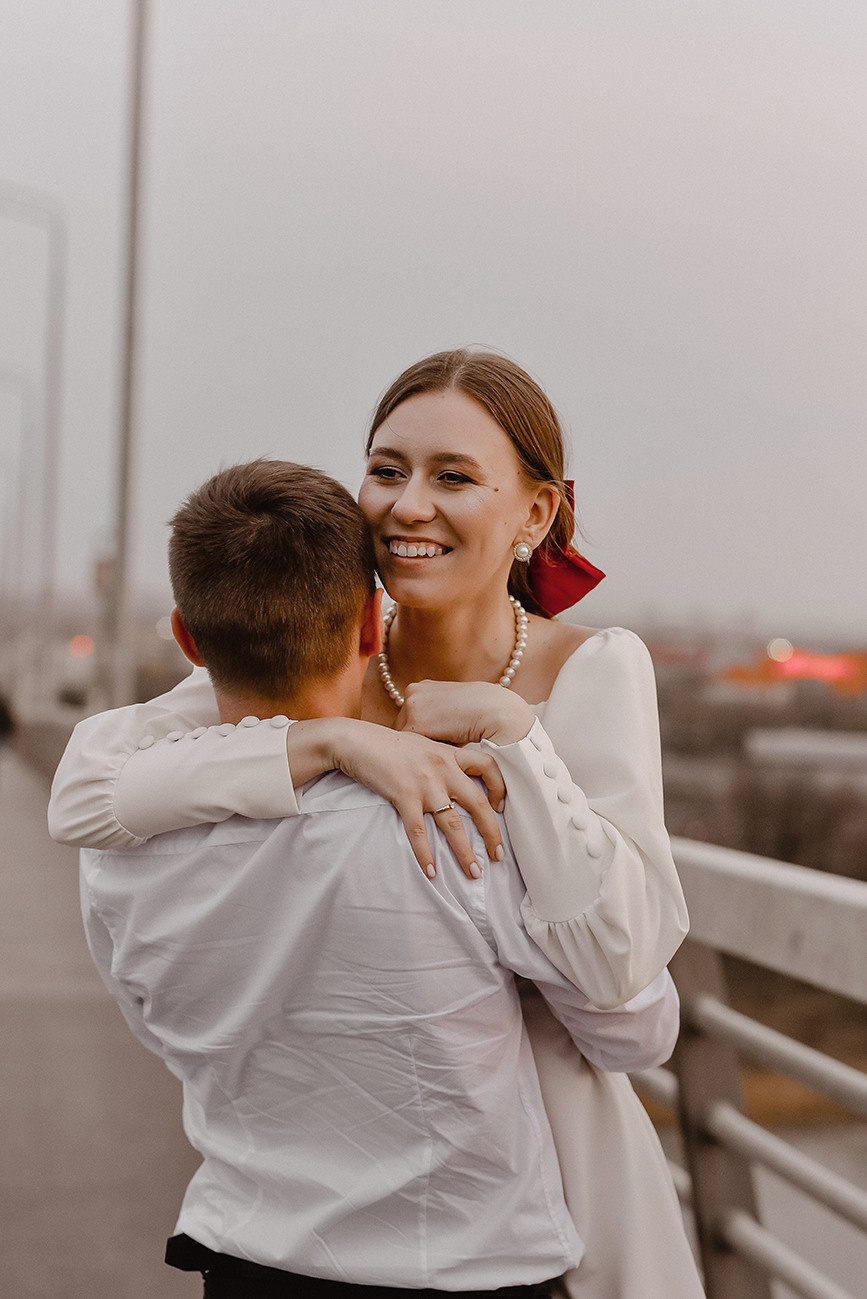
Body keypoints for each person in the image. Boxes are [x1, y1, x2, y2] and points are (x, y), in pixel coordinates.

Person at [50, 349, 702, 1296]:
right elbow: (87, 792)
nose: (407, 505)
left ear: (536, 511)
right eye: (386, 469)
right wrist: (335, 745)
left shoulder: (592, 668)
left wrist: (518, 742)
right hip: (330, 1164)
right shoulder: (319, 636)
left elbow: (625, 974)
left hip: (541, 1180)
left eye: (453, 476)